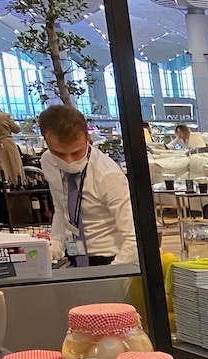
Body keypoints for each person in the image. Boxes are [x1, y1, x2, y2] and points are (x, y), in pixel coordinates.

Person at [37, 103, 137, 267]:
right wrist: (55, 245)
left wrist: (110, 273)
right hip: (74, 255)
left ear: (87, 138)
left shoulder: (107, 175)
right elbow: (61, 210)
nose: (69, 161)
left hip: (110, 257)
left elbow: (133, 238)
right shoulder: (47, 162)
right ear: (46, 142)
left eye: (76, 152)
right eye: (59, 154)